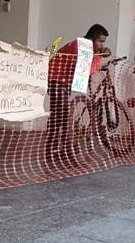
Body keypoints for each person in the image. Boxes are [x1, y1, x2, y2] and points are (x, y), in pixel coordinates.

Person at [45, 23, 110, 164]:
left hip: (63, 80)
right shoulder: (82, 46)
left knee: (60, 115)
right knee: (61, 115)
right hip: (55, 79)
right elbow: (88, 70)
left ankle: (58, 150)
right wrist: (99, 56)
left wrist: (99, 55)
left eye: (103, 42)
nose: (101, 45)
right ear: (92, 38)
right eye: (100, 41)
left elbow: (88, 70)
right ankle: (53, 151)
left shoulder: (85, 46)